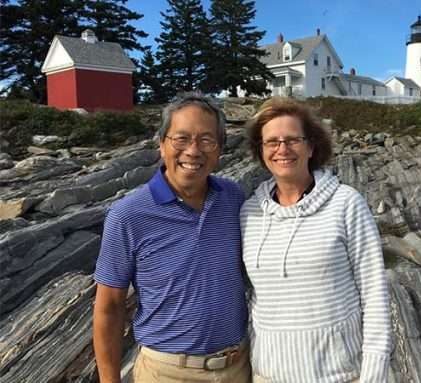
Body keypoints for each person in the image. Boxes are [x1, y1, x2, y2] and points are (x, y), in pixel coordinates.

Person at [93, 92, 250, 383]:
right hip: (167, 372)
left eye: (206, 140)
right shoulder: (127, 215)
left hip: (239, 366)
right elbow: (109, 307)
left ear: (219, 150)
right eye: (181, 139)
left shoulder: (234, 198)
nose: (193, 151)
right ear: (161, 144)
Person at [240, 98, 392, 383]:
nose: (282, 149)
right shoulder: (249, 212)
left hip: (340, 374)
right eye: (271, 141)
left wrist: (374, 373)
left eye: (292, 140)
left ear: (310, 146)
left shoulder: (346, 203)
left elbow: (374, 294)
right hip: (268, 375)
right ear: (260, 151)